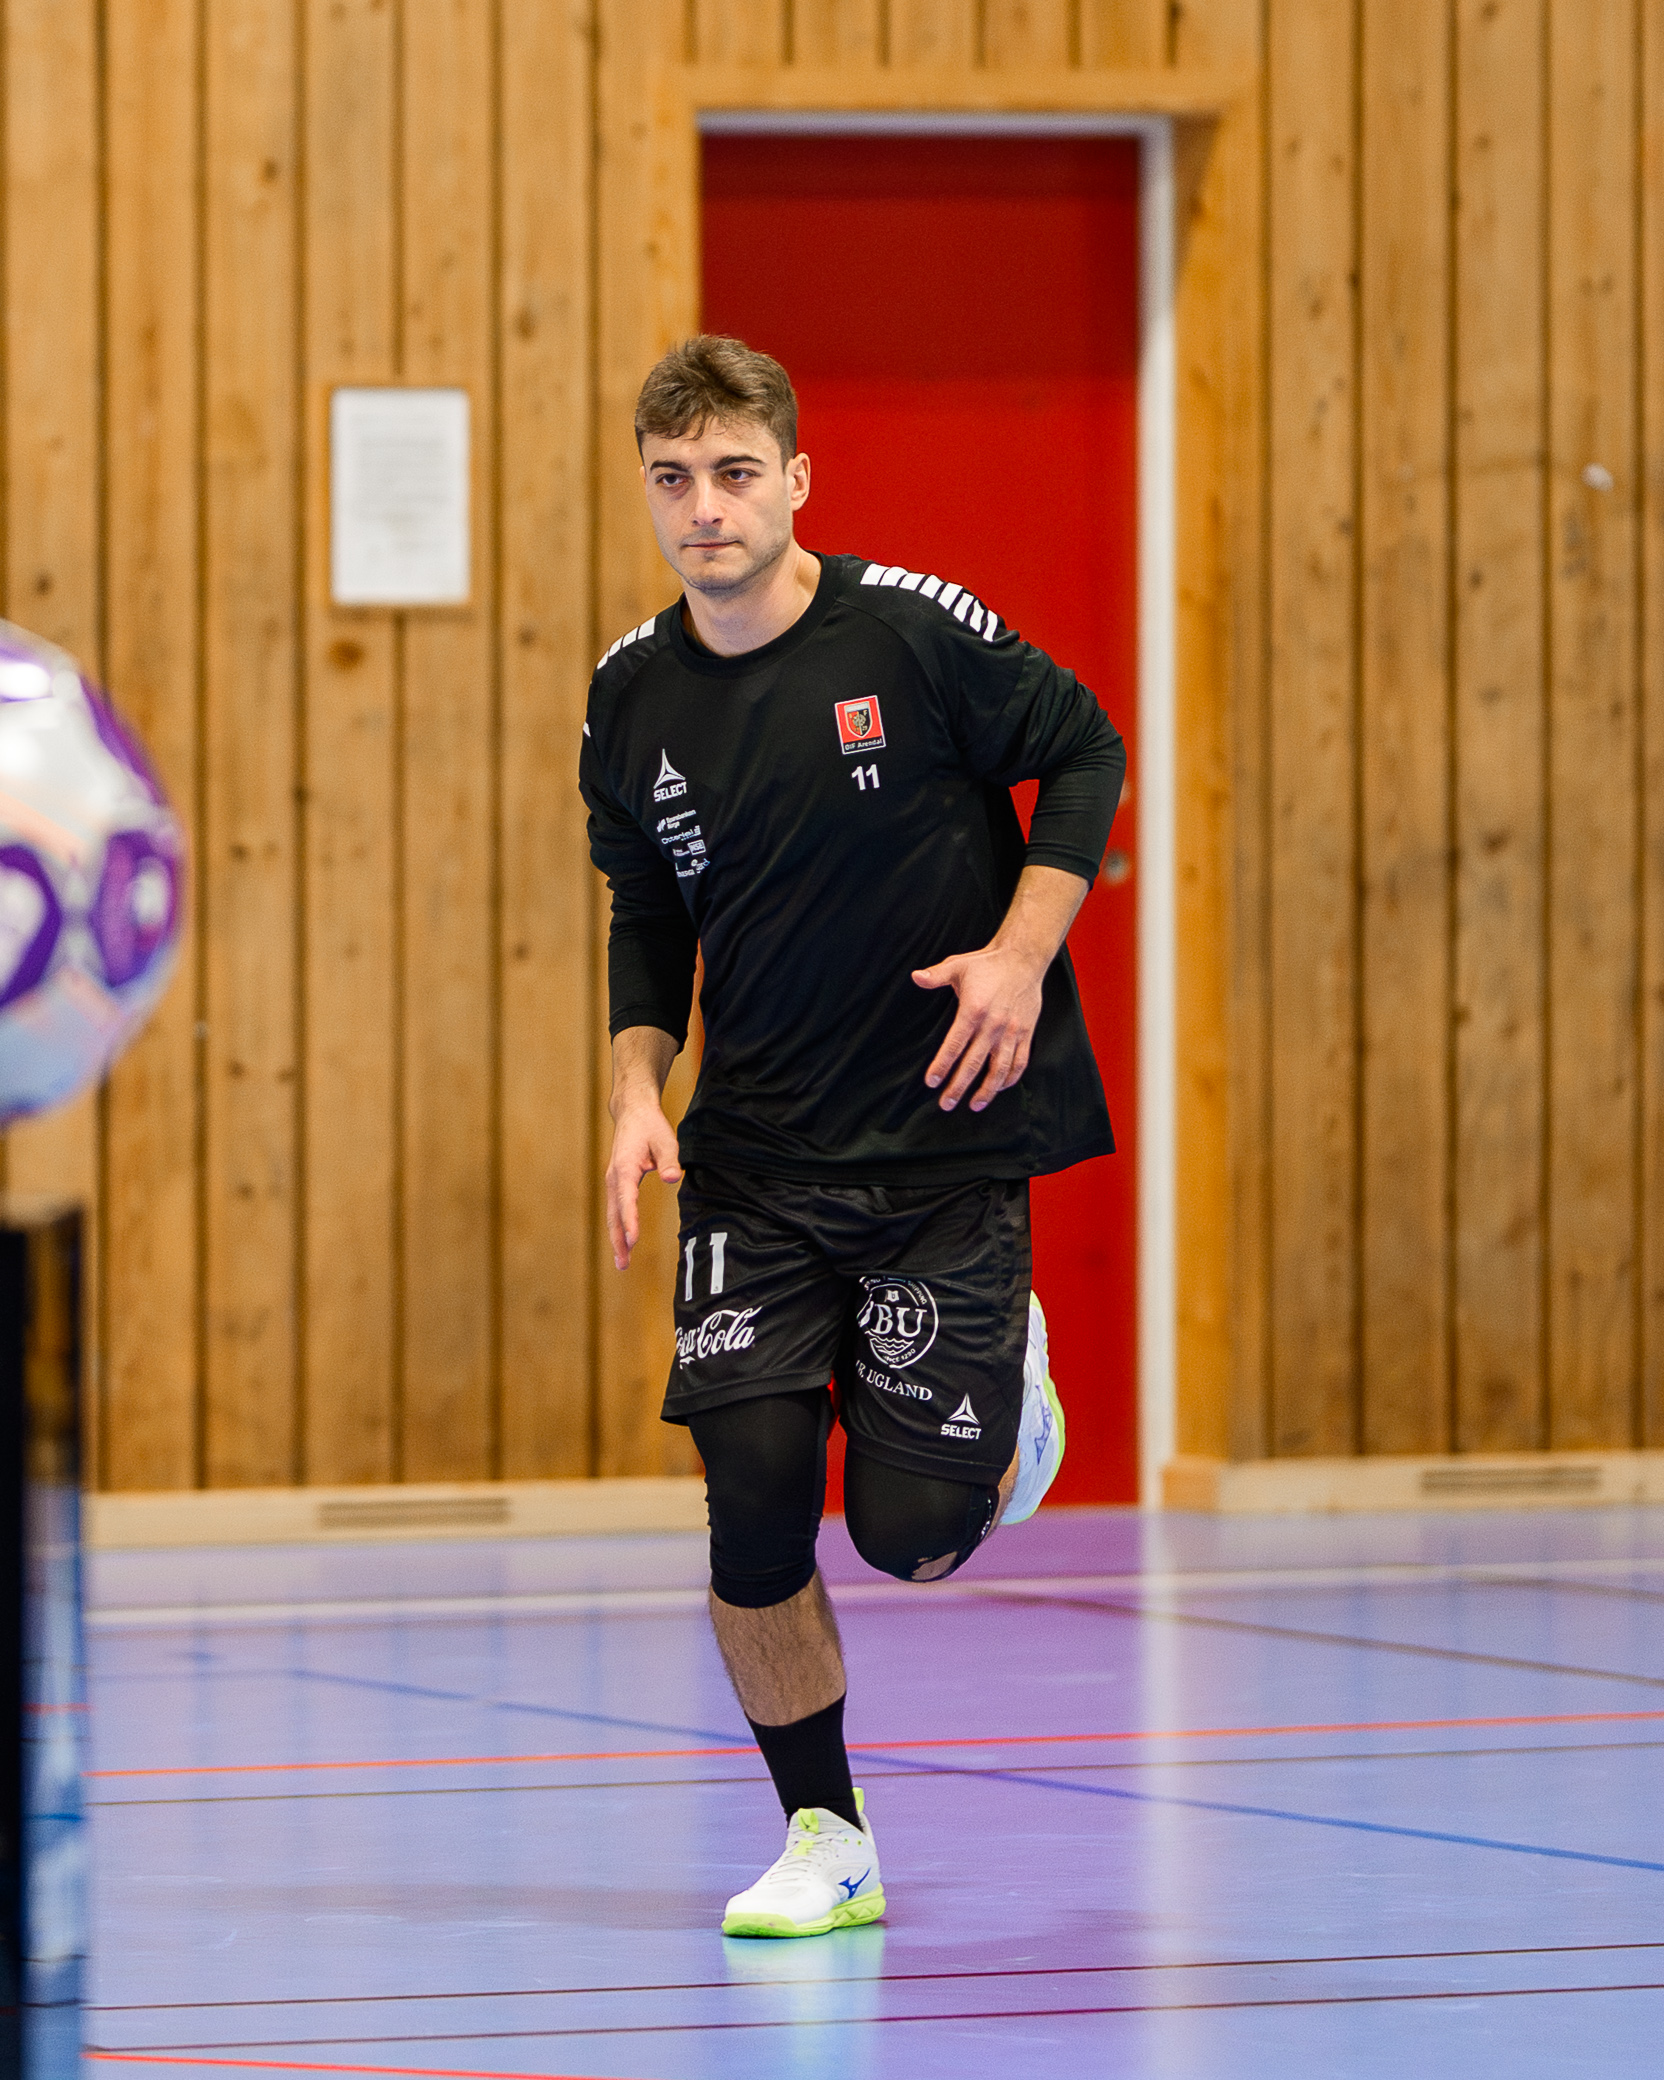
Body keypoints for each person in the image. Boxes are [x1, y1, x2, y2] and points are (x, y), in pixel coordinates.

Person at [579, 334, 1125, 1939]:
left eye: (734, 473)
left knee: (911, 1538)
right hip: (754, 1160)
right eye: (673, 479)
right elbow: (645, 913)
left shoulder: (911, 630)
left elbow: (1085, 748)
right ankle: (827, 1834)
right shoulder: (629, 692)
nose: (704, 507)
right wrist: (635, 1090)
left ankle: (1006, 1411)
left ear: (796, 479)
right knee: (749, 1497)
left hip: (939, 1145)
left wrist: (1019, 956)